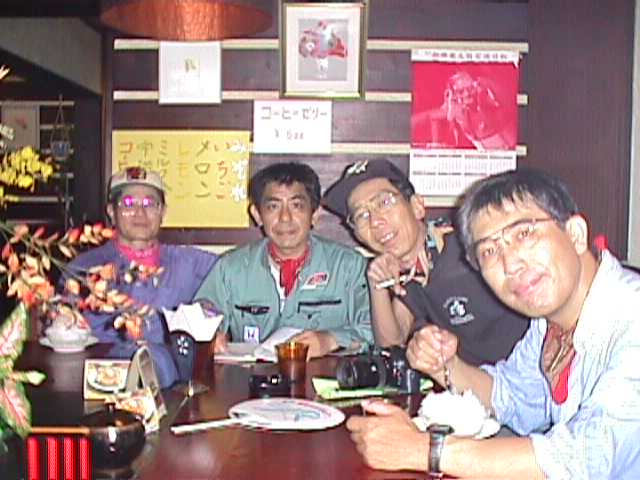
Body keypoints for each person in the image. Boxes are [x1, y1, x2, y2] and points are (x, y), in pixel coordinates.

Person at [346, 168, 640, 479]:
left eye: (524, 234)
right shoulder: (548, 323)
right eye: (489, 251)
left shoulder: (630, 317)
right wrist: (444, 364)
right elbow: (512, 395)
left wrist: (424, 450)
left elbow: (588, 456)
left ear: (575, 234)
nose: (510, 264)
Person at [323, 159, 528, 366]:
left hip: (527, 374)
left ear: (417, 206)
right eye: (362, 215)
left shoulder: (467, 245)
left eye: (384, 203)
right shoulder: (411, 271)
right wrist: (377, 285)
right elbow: (391, 343)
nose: (375, 221)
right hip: (476, 380)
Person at [195, 162, 373, 358]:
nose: (285, 218)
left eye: (297, 206)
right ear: (258, 215)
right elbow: (202, 314)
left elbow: (373, 329)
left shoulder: (348, 266)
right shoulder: (230, 268)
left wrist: (331, 339)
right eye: (273, 206)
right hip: (251, 375)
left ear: (314, 214)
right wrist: (209, 334)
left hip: (327, 375)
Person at [66, 166, 217, 388]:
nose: (139, 212)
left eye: (149, 203)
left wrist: (213, 318)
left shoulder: (189, 263)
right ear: (111, 211)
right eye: (128, 203)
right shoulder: (83, 269)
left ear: (162, 212)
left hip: (173, 390)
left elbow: (235, 273)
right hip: (101, 384)